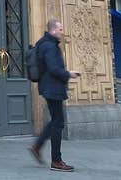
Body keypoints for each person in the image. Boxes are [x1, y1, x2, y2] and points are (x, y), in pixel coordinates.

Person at [28, 19, 79, 172]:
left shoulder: (44, 44)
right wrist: (68, 74)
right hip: (53, 89)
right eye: (60, 29)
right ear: (53, 30)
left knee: (56, 120)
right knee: (58, 123)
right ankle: (56, 160)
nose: (62, 32)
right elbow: (53, 69)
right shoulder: (50, 47)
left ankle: (37, 146)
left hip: (49, 88)